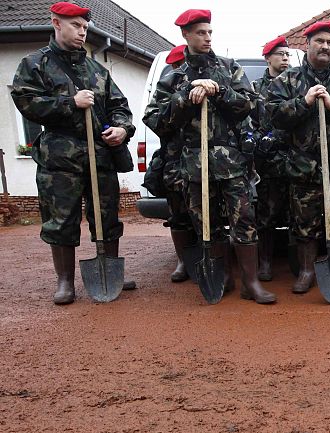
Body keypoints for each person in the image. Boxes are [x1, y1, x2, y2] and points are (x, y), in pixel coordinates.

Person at [144, 9, 275, 304]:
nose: (207, 38)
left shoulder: (229, 68)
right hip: (194, 164)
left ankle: (251, 283)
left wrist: (220, 92)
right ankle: (223, 277)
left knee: (244, 220)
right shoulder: (174, 77)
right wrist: (185, 97)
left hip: (232, 163)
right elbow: (155, 120)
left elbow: (251, 104)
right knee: (208, 224)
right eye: (200, 33)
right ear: (185, 35)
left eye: (210, 32)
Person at [12, 1, 137, 305]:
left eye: (85, 27)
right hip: (60, 158)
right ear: (56, 23)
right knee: (61, 221)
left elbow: (119, 106)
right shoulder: (35, 64)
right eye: (76, 26)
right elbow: (27, 103)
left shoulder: (97, 70)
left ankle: (109, 269)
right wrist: (70, 103)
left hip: (100, 155)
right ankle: (65, 281)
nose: (82, 32)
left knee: (106, 216)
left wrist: (122, 129)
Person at [267, 20, 330, 293]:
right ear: (307, 44)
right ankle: (307, 271)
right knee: (305, 223)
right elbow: (274, 115)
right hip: (303, 166)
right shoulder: (288, 80)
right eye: (320, 41)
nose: (325, 46)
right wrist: (304, 102)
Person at [142, 44, 198, 284]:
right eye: (178, 66)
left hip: (207, 163)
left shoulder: (209, 80)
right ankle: (183, 261)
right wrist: (180, 100)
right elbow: (152, 118)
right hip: (176, 162)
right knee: (178, 214)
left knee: (209, 214)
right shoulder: (167, 87)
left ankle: (208, 259)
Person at [252, 36, 291, 282]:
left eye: (287, 54)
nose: (285, 58)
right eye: (280, 54)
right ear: (268, 58)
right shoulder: (256, 88)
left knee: (300, 214)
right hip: (269, 162)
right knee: (266, 214)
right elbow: (248, 122)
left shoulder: (297, 83)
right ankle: (265, 262)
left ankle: (298, 264)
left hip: (297, 158)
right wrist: (260, 140)